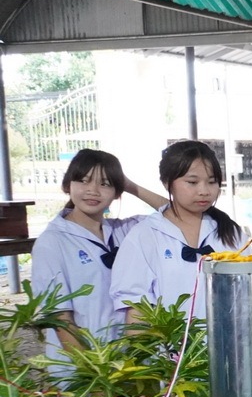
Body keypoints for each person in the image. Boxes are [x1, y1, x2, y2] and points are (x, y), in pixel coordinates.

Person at [110, 140, 249, 397]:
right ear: (169, 182)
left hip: (221, 376)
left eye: (212, 181)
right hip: (169, 378)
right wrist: (143, 381)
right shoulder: (146, 236)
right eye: (192, 181)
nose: (204, 190)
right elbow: (136, 312)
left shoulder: (230, 234)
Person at [31, 149, 165, 377]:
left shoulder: (126, 230)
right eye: (83, 181)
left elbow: (177, 215)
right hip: (82, 375)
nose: (93, 190)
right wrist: (94, 377)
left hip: (126, 366)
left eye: (105, 184)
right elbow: (60, 318)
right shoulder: (52, 242)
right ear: (68, 185)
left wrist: (131, 186)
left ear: (117, 192)